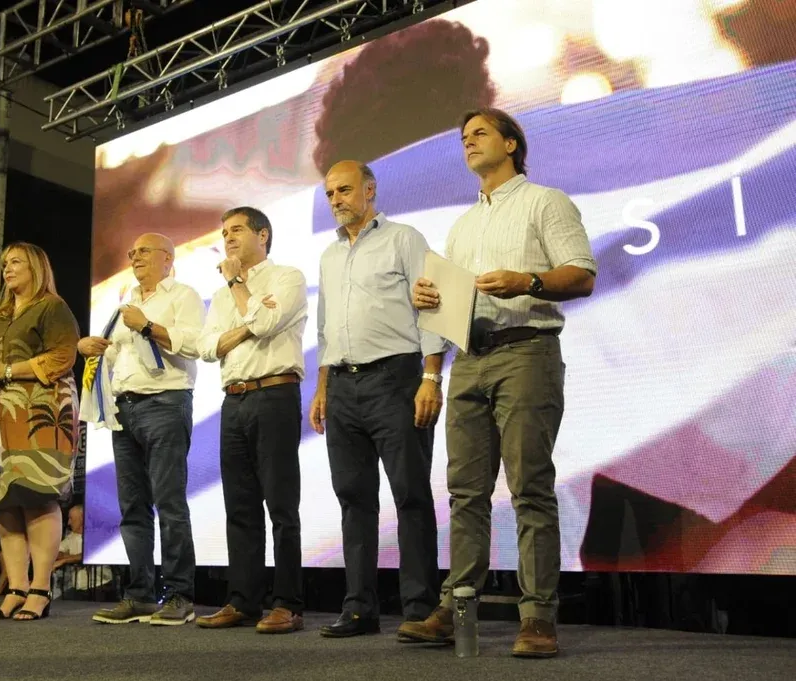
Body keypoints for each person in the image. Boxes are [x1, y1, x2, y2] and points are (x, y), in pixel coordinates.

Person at [399, 108, 597, 657]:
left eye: (480, 133)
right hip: (468, 359)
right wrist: (429, 309)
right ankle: (455, 608)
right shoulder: (462, 226)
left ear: (511, 143)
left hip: (526, 351)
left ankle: (537, 618)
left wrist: (526, 280)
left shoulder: (545, 202)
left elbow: (581, 274)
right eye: (464, 137)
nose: (468, 142)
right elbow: (448, 310)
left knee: (529, 486)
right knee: (465, 493)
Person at [310, 160, 447, 638]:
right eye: (330, 193)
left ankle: (420, 609)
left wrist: (432, 376)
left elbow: (433, 308)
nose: (336, 200)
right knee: (353, 499)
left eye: (344, 190)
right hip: (342, 386)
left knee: (410, 494)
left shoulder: (403, 238)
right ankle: (359, 608)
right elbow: (325, 329)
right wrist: (322, 388)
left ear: (369, 190)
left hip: (397, 379)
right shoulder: (329, 255)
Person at [195, 207, 307, 634]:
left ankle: (287, 603)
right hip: (234, 400)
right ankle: (242, 600)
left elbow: (265, 322)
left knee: (281, 504)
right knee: (239, 506)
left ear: (263, 235)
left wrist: (238, 287)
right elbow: (207, 348)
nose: (228, 238)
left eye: (237, 229)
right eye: (224, 232)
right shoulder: (221, 294)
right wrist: (247, 325)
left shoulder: (287, 277)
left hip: (275, 394)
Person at [83, 233, 205, 626]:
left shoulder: (183, 295)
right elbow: (121, 355)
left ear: (168, 258)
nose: (135, 256)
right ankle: (140, 596)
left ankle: (180, 595)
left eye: (144, 251)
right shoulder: (126, 301)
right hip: (125, 409)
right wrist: (96, 349)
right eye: (132, 252)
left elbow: (194, 345)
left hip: (165, 404)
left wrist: (149, 326)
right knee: (132, 508)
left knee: (169, 503)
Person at [0, 241, 81, 621]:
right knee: (6, 500)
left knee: (37, 496)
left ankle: (40, 589)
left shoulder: (52, 307)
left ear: (35, 267)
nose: (7, 269)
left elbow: (63, 356)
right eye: (4, 263)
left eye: (15, 262)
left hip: (41, 415)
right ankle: (16, 587)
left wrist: (8, 370)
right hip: (0, 416)